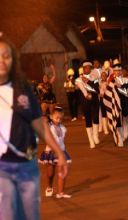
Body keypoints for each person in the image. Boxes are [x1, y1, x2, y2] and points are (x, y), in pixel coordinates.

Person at [0, 35, 67, 219]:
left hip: (26, 164)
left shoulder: (24, 88)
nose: (2, 60)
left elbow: (39, 123)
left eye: (6, 56)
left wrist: (59, 153)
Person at [38, 107, 72, 199]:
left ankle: (60, 192)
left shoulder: (63, 128)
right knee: (50, 173)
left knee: (62, 172)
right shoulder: (48, 126)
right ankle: (49, 186)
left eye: (60, 118)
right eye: (56, 117)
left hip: (61, 152)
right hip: (50, 152)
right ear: (51, 116)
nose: (58, 120)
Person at [75, 60, 100, 148]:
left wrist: (88, 81)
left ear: (91, 68)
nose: (87, 69)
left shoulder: (95, 78)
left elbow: (97, 90)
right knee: (88, 119)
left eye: (89, 68)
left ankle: (95, 135)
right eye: (85, 68)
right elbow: (77, 90)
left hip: (95, 100)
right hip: (85, 101)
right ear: (83, 69)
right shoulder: (78, 79)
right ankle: (91, 140)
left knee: (96, 117)